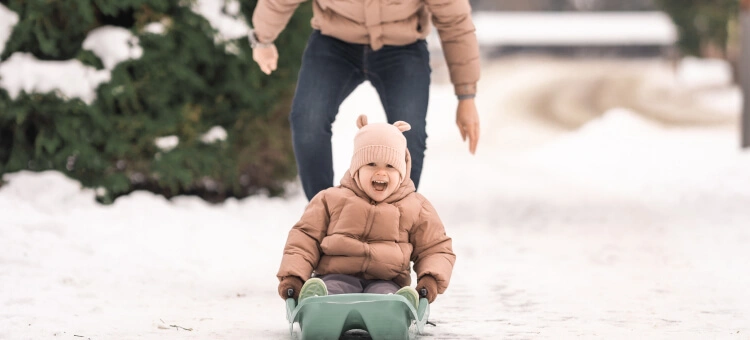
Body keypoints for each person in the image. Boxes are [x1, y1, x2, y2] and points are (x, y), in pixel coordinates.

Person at [250, 0, 481, 201]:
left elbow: (455, 21)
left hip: (403, 47)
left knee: (410, 130)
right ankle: (323, 214)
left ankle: (395, 219)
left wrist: (466, 95)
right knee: (308, 119)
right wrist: (262, 40)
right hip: (334, 43)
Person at [276, 115, 455, 308]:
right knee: (332, 290)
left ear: (402, 171)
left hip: (386, 281)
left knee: (385, 297)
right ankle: (319, 303)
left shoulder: (416, 207)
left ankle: (395, 308)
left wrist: (430, 279)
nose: (381, 172)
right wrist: (294, 277)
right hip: (336, 275)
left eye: (390, 166)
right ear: (356, 168)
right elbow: (304, 238)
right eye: (371, 164)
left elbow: (434, 247)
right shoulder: (331, 199)